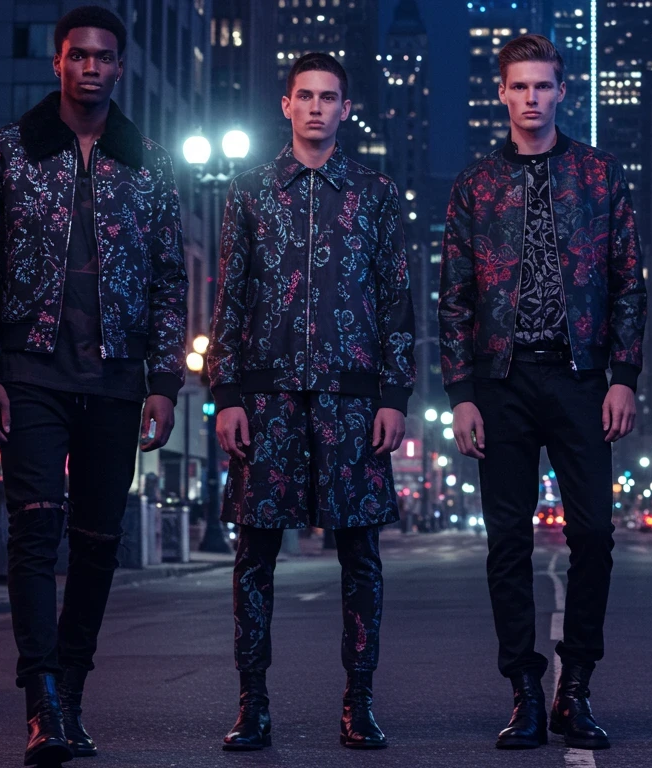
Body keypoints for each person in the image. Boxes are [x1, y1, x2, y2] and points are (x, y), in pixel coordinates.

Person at [0, 6, 186, 765]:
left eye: (103, 57)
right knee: (34, 530)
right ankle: (41, 698)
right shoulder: (6, 153)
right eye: (78, 55)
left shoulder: (149, 162)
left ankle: (73, 693)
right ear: (58, 62)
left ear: (118, 67)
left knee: (96, 542)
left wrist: (164, 382)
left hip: (118, 381)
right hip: (30, 373)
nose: (90, 66)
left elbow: (168, 282)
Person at [438, 33, 645, 751]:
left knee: (592, 532)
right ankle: (524, 690)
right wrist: (461, 392)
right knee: (507, 542)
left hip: (582, 376)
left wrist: (624, 377)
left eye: (543, 86)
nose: (532, 98)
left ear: (563, 91)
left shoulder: (599, 174)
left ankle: (576, 686)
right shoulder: (475, 185)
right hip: (501, 381)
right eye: (519, 87)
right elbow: (455, 297)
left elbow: (628, 282)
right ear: (502, 93)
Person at [206, 51, 414, 752]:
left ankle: (359, 701)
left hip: (353, 402)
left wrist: (394, 395)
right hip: (264, 400)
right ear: (286, 106)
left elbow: (396, 301)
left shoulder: (377, 193)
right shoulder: (251, 190)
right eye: (307, 96)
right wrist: (226, 393)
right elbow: (230, 298)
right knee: (253, 557)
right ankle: (252, 702)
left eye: (330, 96)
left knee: (361, 557)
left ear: (345, 108)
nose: (318, 107)